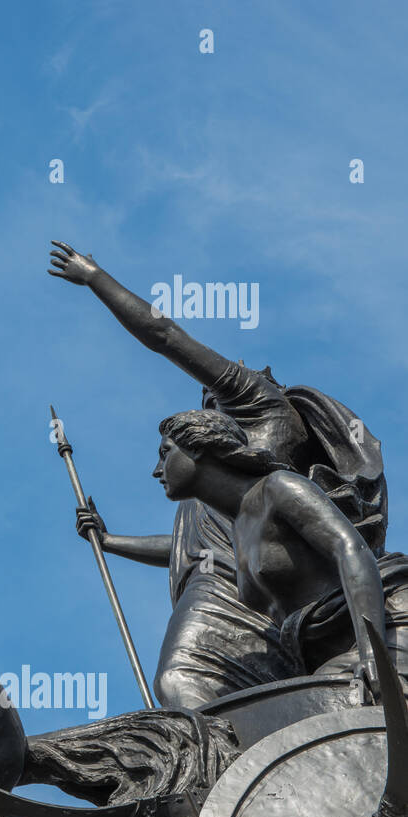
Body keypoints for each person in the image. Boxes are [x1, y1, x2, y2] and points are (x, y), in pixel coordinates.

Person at [50, 241, 387, 707]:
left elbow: (166, 335)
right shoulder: (208, 483)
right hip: (245, 587)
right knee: (186, 691)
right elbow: (192, 550)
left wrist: (95, 278)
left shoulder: (262, 411)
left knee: (188, 685)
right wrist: (111, 543)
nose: (216, 382)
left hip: (270, 591)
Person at [150, 409, 408, 686]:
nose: (157, 470)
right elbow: (182, 551)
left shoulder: (278, 488)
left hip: (389, 628)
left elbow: (351, 550)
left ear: (199, 448)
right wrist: (107, 541)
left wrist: (372, 652)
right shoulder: (237, 527)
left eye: (165, 452)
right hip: (328, 656)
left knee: (325, 704)